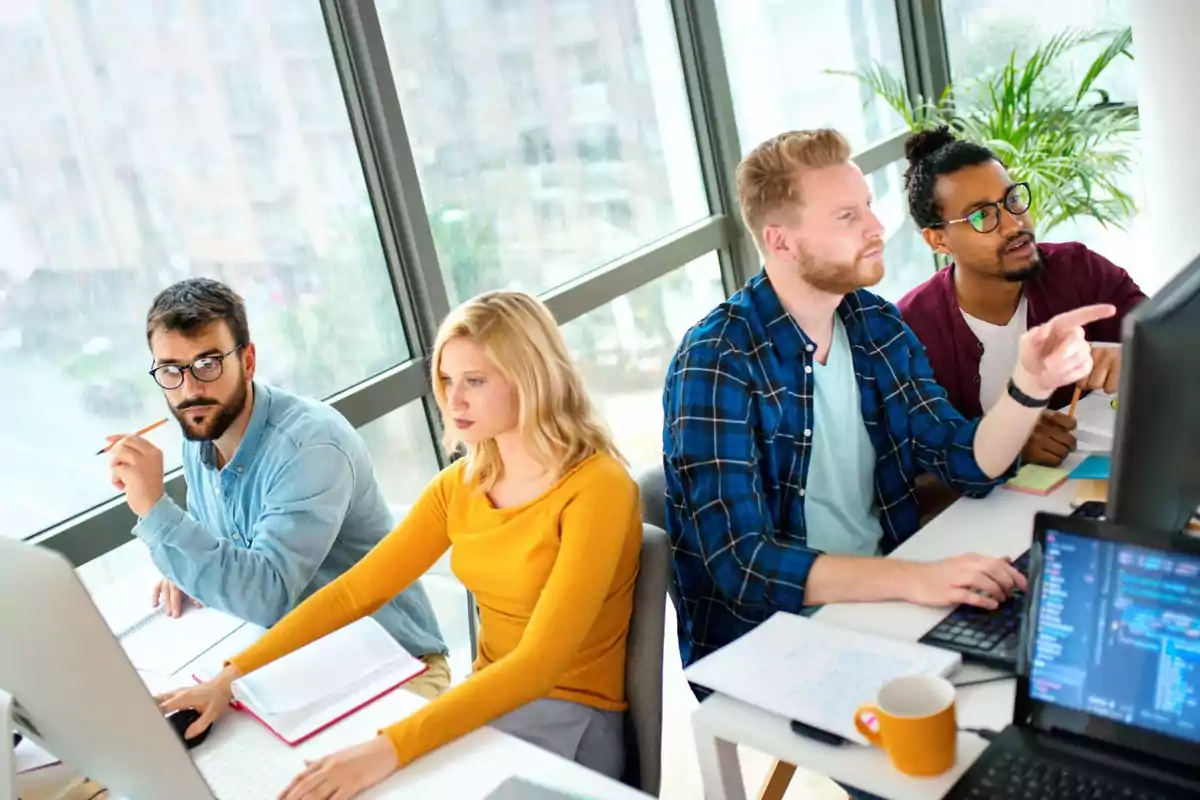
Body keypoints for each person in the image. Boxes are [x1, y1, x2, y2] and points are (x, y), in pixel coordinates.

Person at [157, 290, 642, 798]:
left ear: (532, 378)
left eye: (474, 381)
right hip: (486, 706)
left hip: (571, 721)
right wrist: (228, 677)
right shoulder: (460, 485)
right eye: (447, 380)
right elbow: (353, 593)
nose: (454, 401)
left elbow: (538, 663)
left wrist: (386, 748)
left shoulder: (598, 487)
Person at [663, 127, 1112, 670]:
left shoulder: (874, 323)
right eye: (847, 217)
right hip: (773, 639)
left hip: (889, 594)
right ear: (781, 240)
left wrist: (1029, 385)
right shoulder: (716, 360)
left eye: (869, 208)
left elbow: (965, 460)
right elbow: (745, 564)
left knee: (1068, 646)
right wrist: (919, 580)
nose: (878, 228)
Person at [106, 278, 448, 695]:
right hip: (296, 658)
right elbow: (216, 538)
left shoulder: (311, 446)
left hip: (393, 665)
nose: (190, 389)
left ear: (247, 361)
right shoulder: (199, 429)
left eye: (208, 364)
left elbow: (268, 596)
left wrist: (155, 510)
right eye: (171, 371)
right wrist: (187, 568)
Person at [897, 126, 1146, 466]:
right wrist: (1006, 446)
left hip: (1082, 490)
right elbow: (913, 485)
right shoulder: (908, 332)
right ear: (938, 241)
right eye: (982, 215)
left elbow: (1174, 337)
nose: (1014, 224)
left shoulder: (1077, 269)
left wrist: (1133, 356)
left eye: (1012, 199)